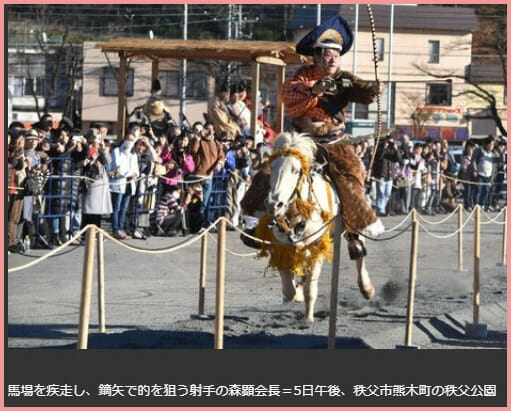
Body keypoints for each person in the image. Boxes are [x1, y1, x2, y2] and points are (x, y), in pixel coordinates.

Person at [280, 14, 384, 256]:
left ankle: (354, 231)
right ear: (315, 56)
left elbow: (362, 91)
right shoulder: (301, 76)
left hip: (334, 141)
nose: (333, 58)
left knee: (352, 171)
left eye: (336, 54)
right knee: (274, 169)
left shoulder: (342, 78)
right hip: (303, 140)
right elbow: (289, 98)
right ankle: (257, 222)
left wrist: (373, 90)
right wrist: (315, 89)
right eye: (327, 53)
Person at [189, 122, 225, 224]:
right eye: (207, 129)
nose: (209, 131)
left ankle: (199, 222)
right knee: (195, 201)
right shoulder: (198, 140)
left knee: (205, 202)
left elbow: (222, 156)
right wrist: (198, 138)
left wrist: (219, 163)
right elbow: (193, 151)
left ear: (214, 131)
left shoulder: (216, 143)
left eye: (211, 129)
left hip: (209, 176)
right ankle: (192, 223)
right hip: (197, 176)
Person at [109, 132, 139, 239]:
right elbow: (118, 167)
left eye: (132, 140)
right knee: (116, 207)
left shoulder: (134, 155)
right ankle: (115, 229)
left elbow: (136, 170)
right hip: (118, 183)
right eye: (128, 139)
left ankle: (121, 228)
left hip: (129, 184)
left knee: (124, 208)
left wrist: (133, 174)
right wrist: (129, 173)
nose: (129, 142)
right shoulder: (117, 151)